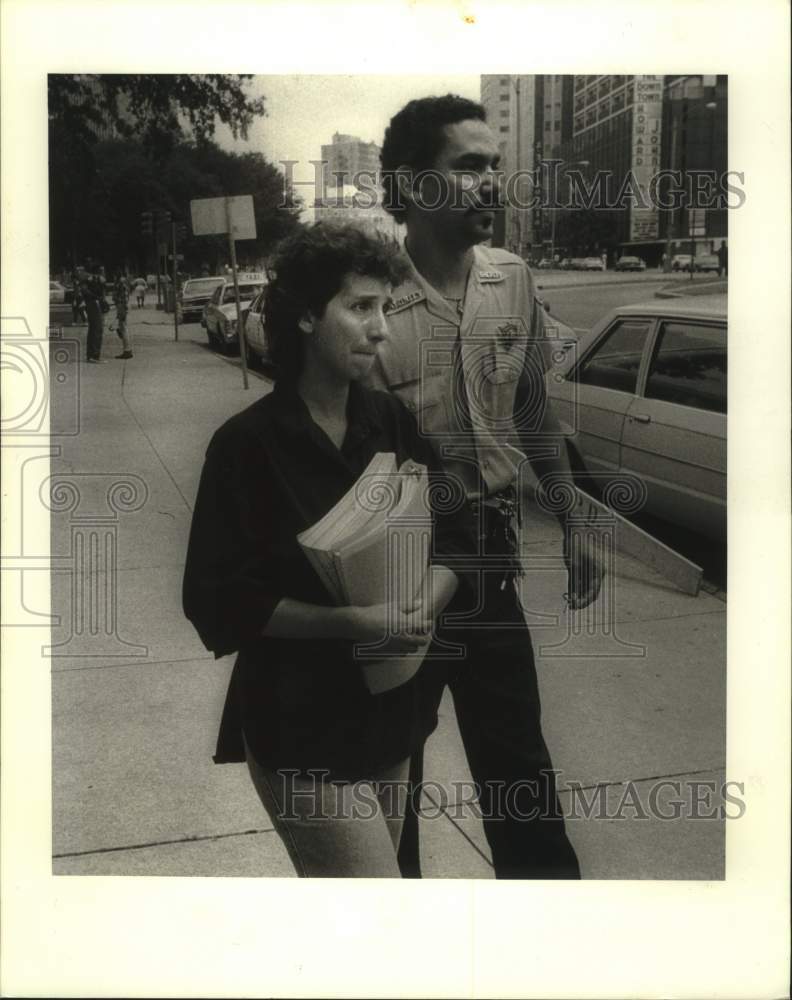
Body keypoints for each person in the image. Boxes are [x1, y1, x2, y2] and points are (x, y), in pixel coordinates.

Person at [182, 223, 476, 877]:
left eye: (385, 309)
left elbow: (458, 532)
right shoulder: (247, 447)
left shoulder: (390, 422)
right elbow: (215, 599)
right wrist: (351, 623)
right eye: (360, 307)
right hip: (302, 731)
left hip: (393, 714)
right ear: (309, 317)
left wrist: (425, 602)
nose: (381, 329)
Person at [369, 94, 603, 879]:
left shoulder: (512, 279)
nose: (490, 183)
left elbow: (533, 406)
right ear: (410, 184)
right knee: (390, 783)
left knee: (522, 778)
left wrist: (571, 516)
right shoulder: (367, 303)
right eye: (467, 166)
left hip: (490, 569)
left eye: (494, 166)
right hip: (396, 576)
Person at [81, 267, 107, 363]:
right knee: (97, 329)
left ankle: (91, 355)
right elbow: (85, 291)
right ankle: (94, 355)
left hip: (93, 304)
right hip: (94, 304)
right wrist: (98, 297)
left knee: (94, 329)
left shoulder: (91, 280)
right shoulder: (91, 280)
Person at [113, 273, 133, 359]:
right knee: (123, 328)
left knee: (123, 328)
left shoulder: (121, 283)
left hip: (122, 306)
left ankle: (127, 350)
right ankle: (127, 349)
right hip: (122, 306)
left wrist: (122, 310)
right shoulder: (124, 282)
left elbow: (123, 297)